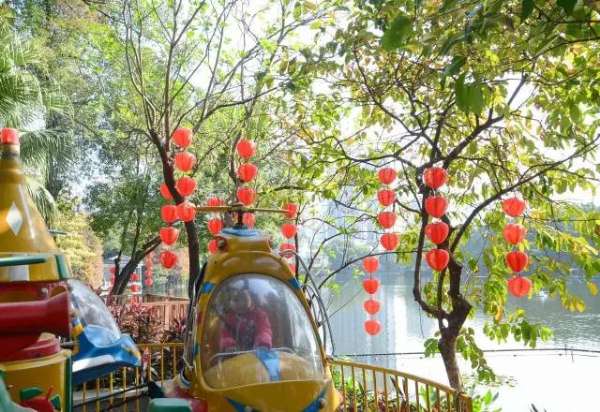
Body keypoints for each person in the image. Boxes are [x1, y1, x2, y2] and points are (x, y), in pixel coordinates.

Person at [218, 284, 272, 352]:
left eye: (242, 298)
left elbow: (264, 330)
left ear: (250, 298)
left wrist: (263, 343)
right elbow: (225, 334)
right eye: (233, 300)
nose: (237, 303)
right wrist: (229, 345)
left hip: (256, 353)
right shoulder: (229, 318)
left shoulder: (259, 315)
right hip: (235, 355)